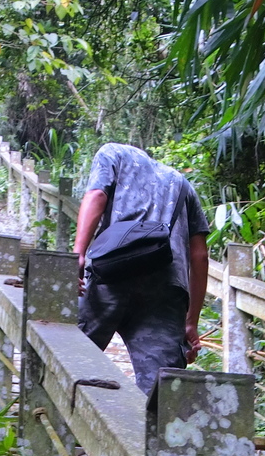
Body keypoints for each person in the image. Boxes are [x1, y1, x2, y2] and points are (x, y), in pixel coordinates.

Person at [73, 143, 210, 395]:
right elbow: (200, 256)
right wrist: (191, 322)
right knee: (160, 392)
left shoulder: (112, 154)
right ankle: (146, 433)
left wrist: (78, 254)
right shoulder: (182, 184)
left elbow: (96, 196)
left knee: (70, 358)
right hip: (165, 292)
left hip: (111, 276)